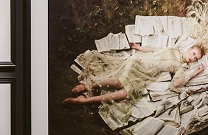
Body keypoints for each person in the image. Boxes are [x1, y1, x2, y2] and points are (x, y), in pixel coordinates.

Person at [64, 41, 205, 107]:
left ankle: (85, 101)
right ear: (189, 48)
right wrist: (139, 47)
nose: (193, 58)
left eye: (196, 59)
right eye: (193, 54)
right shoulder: (173, 48)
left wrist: (192, 73)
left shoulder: (182, 67)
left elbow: (176, 83)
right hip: (139, 61)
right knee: (120, 81)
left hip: (146, 74)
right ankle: (89, 86)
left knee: (127, 93)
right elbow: (154, 49)